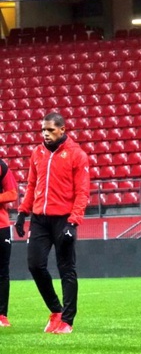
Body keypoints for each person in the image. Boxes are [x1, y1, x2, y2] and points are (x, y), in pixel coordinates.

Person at [15, 112, 90, 334]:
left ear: (62, 130)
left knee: (66, 269)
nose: (45, 134)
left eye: (50, 130)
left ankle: (67, 321)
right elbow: (31, 185)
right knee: (35, 265)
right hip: (39, 219)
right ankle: (55, 311)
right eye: (43, 130)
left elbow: (82, 192)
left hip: (64, 220)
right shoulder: (37, 153)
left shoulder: (77, 155)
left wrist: (73, 222)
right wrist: (22, 212)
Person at [0, 159, 19, 327]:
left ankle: (1, 316)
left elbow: (12, 193)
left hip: (1, 226)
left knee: (2, 272)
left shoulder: (1, 166)